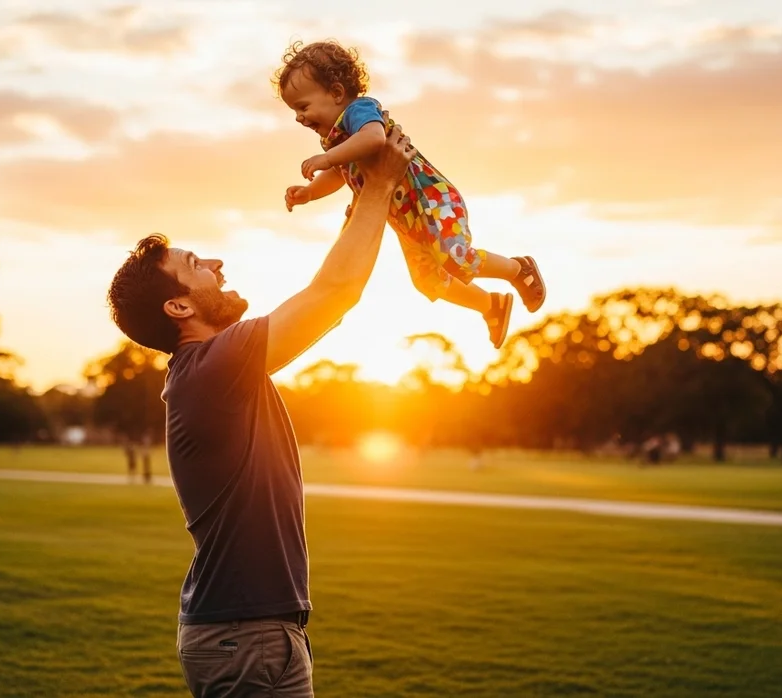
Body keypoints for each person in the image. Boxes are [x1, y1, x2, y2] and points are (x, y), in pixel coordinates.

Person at [105, 125, 417, 697]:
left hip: (258, 631)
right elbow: (333, 293)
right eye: (195, 263)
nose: (217, 263)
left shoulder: (218, 373)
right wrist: (380, 188)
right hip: (241, 638)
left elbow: (332, 295)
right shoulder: (212, 369)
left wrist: (364, 196)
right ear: (178, 305)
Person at [277, 40, 547, 349]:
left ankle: (518, 268)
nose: (299, 117)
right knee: (427, 281)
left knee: (456, 258)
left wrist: (327, 158)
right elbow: (340, 174)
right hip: (407, 220)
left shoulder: (360, 111)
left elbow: (375, 139)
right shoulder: (339, 140)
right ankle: (491, 306)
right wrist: (310, 192)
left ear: (337, 93)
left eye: (303, 106)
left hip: (431, 200)